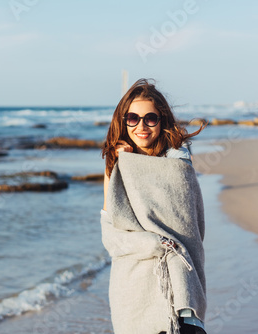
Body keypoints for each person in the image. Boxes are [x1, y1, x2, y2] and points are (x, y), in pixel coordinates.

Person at [100, 78, 207, 334]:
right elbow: (111, 233)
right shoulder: (116, 164)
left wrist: (163, 243)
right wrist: (154, 243)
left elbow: (189, 229)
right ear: (123, 121)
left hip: (181, 293)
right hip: (133, 291)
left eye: (150, 118)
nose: (141, 126)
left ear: (162, 120)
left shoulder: (178, 162)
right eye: (132, 118)